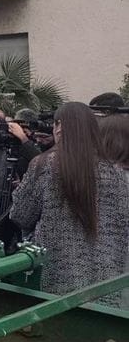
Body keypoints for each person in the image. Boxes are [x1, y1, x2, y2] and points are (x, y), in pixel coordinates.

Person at [9, 103, 129, 308]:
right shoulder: (117, 174)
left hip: (56, 280)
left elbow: (21, 215)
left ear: (59, 127)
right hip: (107, 284)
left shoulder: (44, 165)